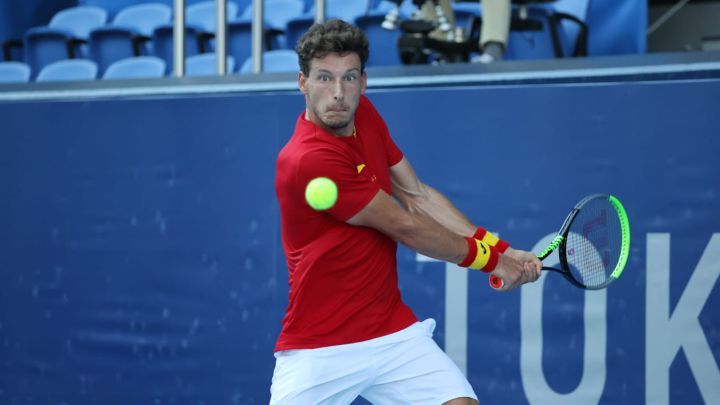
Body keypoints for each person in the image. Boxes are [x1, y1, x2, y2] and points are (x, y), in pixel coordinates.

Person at [271, 19, 541, 404]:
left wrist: (500, 249)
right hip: (319, 347)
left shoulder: (364, 115)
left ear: (363, 83)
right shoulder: (306, 159)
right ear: (303, 82)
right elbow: (404, 224)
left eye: (349, 79)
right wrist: (490, 262)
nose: (338, 93)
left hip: (390, 333)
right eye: (324, 79)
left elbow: (416, 194)